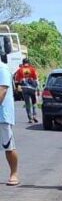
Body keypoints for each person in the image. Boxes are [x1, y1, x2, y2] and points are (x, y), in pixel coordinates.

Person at [0, 47, 19, 185]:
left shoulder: (2, 69)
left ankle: (14, 174)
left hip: (3, 116)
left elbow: (2, 91)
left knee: (8, 146)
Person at [14, 58, 39, 124]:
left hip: (24, 88)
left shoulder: (19, 70)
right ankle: (34, 115)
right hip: (32, 89)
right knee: (34, 102)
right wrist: (38, 89)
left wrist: (17, 89)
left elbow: (16, 81)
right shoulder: (33, 69)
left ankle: (30, 118)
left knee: (27, 103)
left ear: (23, 63)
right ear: (29, 62)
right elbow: (36, 79)